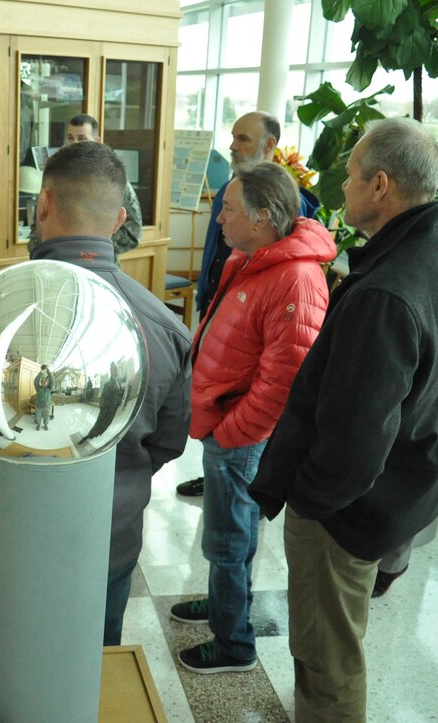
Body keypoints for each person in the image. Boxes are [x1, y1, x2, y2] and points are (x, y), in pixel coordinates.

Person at [249, 118, 438, 722]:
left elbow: (354, 441)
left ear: (380, 185)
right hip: (399, 495)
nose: (342, 187)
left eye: (351, 177)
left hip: (347, 514)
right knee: (333, 648)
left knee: (326, 658)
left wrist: (310, 500)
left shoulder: (389, 292)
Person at [0, 141, 192, 646]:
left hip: (8, 547)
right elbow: (166, 446)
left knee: (5, 670)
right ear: (118, 220)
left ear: (42, 205)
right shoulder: (164, 324)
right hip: (107, 545)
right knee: (94, 669)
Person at [169, 162, 335, 674]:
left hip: (242, 435)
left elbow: (284, 383)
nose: (218, 219)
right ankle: (224, 603)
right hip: (226, 426)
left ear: (264, 217)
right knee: (226, 534)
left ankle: (234, 643)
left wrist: (232, 430)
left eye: (229, 210)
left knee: (231, 537)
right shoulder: (255, 257)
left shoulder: (296, 279)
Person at [179, 111, 322, 498]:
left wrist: (232, 435)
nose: (232, 146)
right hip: (224, 308)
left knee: (237, 499)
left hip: (239, 426)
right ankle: (219, 476)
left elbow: (280, 376)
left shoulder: (286, 210)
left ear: (269, 145)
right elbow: (219, 249)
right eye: (234, 137)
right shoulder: (234, 190)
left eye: (242, 138)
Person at [27, 113, 142, 255]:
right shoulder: (55, 175)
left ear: (97, 141)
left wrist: (84, 247)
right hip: (55, 263)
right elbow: (38, 225)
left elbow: (132, 235)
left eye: (82, 139)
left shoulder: (113, 180)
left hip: (97, 266)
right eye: (70, 138)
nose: (74, 143)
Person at [83, 362, 124, 442]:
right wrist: (104, 411)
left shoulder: (117, 382)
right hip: (107, 410)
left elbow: (119, 393)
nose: (117, 371)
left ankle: (96, 434)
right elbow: (103, 400)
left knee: (106, 424)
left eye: (117, 369)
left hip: (113, 409)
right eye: (116, 369)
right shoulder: (108, 384)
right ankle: (91, 434)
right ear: (112, 371)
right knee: (100, 422)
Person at [34, 363, 54, 430]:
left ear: (46, 382)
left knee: (46, 416)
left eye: (44, 381)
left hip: (47, 406)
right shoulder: (38, 388)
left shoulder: (49, 389)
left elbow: (52, 381)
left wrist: (48, 371)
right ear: (41, 382)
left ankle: (45, 424)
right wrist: (41, 372)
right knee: (38, 417)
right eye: (42, 381)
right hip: (39, 406)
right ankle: (38, 425)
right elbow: (35, 381)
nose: (43, 382)